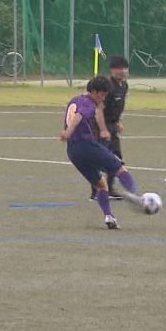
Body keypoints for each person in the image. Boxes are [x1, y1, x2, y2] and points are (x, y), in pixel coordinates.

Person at [60, 76, 143, 229]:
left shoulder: (75, 100)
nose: (102, 98)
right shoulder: (88, 103)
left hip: (72, 151)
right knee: (119, 167)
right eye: (101, 95)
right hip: (87, 146)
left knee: (101, 185)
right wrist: (68, 132)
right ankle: (136, 196)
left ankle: (109, 217)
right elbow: (79, 117)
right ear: (93, 91)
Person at [94, 56, 129, 200]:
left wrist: (118, 121)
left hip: (113, 126)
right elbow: (99, 109)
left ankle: (109, 189)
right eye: (118, 68)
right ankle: (97, 191)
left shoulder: (124, 86)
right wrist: (103, 129)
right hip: (101, 126)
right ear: (112, 70)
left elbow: (119, 106)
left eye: (124, 68)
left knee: (116, 159)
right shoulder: (107, 86)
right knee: (99, 159)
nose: (121, 71)